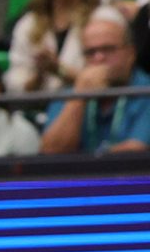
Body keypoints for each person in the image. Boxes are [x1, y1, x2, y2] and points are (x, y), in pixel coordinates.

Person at [8, 0, 120, 97]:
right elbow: (15, 88)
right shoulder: (28, 24)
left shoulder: (105, 20)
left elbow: (110, 82)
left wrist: (58, 69)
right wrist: (39, 75)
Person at [37, 11, 150, 154]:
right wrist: (79, 98)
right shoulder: (71, 94)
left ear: (131, 53)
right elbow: (50, 153)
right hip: (78, 176)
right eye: (91, 52)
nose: (99, 58)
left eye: (108, 49)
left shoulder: (146, 91)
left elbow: (137, 151)